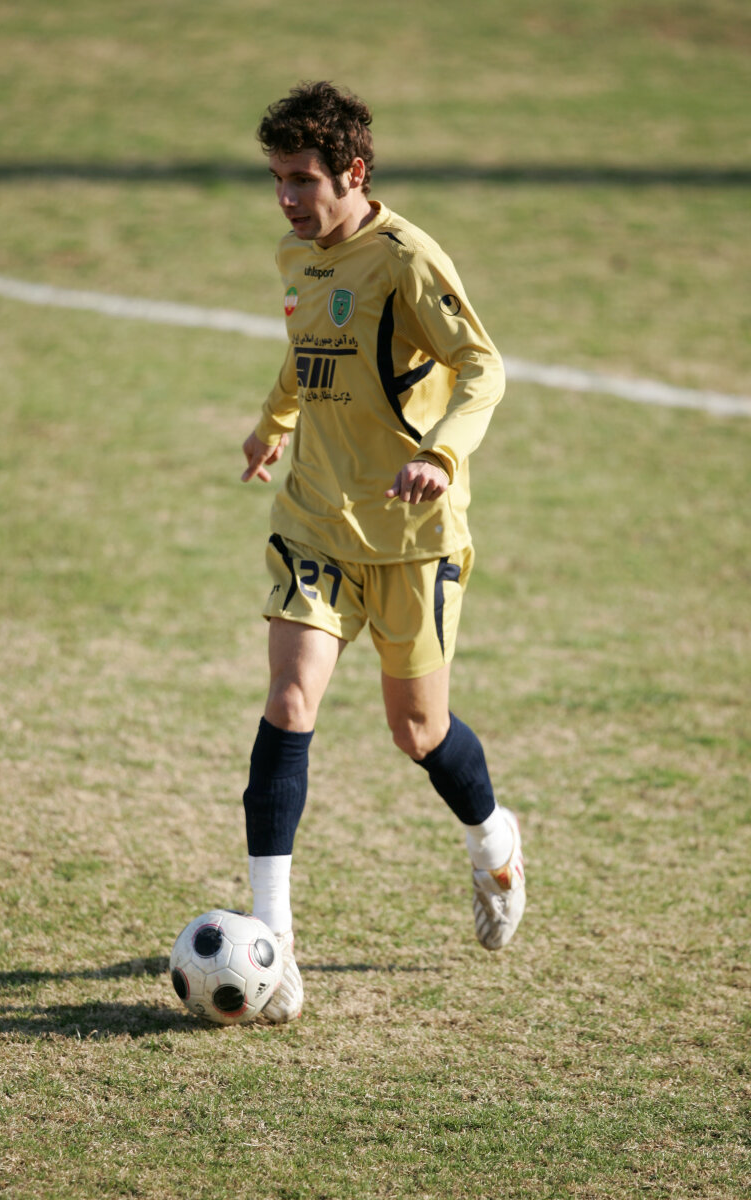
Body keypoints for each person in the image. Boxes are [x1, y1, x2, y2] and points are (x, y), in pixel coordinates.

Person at [240, 81, 525, 1023]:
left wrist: (442, 454)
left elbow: (482, 365)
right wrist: (274, 422)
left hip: (411, 540)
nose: (288, 198)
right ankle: (273, 938)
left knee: (419, 733)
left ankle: (493, 839)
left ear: (352, 172)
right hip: (315, 520)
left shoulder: (407, 260)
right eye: (278, 179)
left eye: (303, 179)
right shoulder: (298, 255)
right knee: (290, 699)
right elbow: (306, 344)